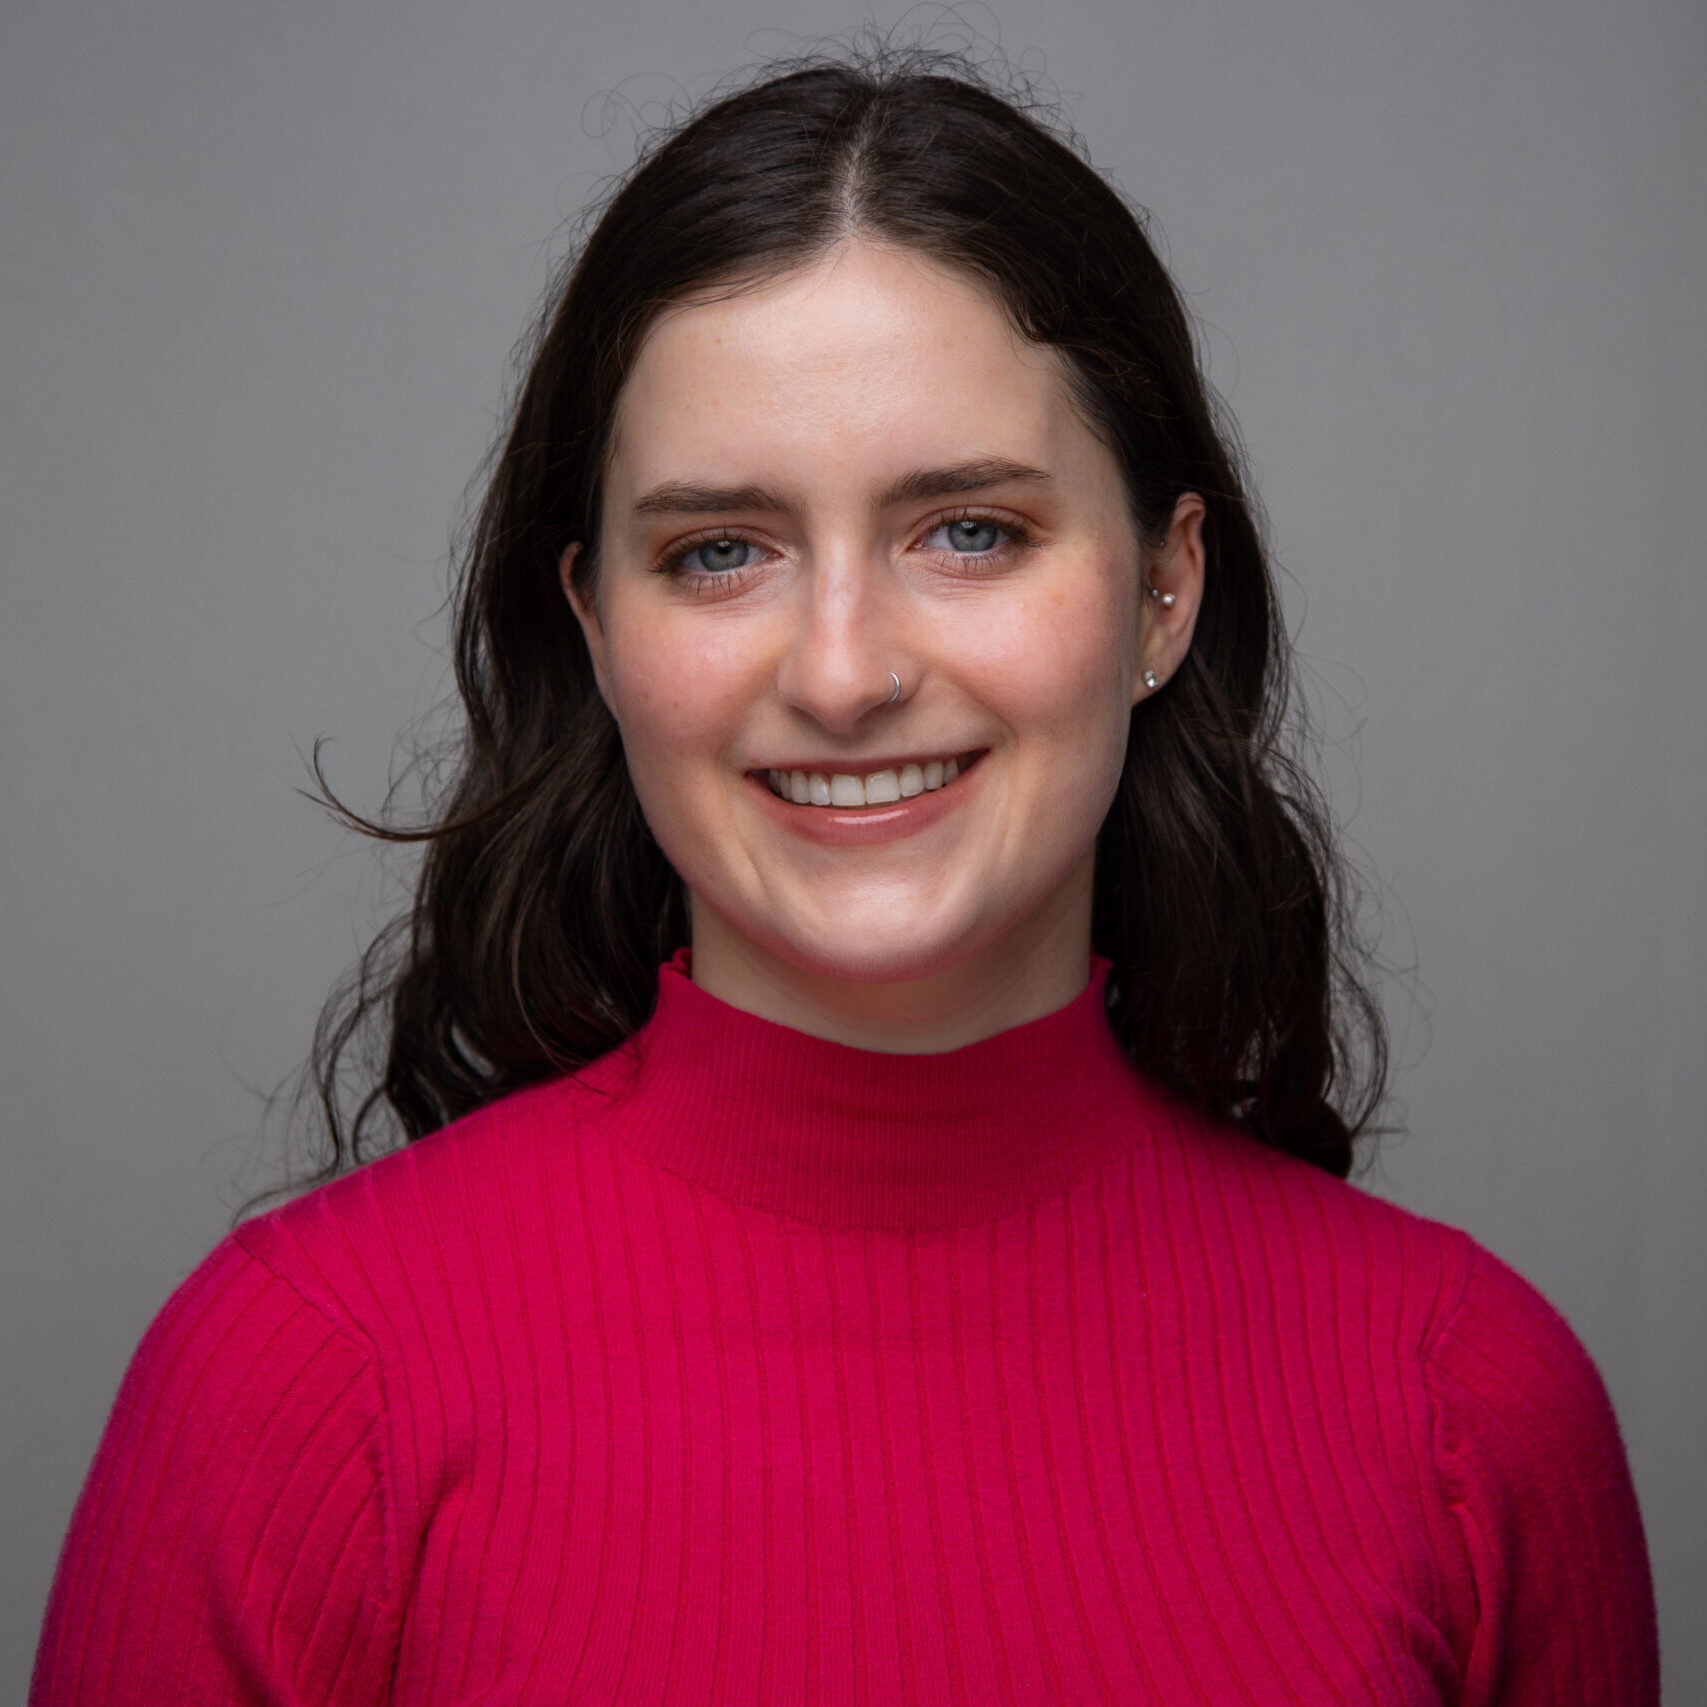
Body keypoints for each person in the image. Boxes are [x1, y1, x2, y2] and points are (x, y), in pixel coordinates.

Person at [32, 47, 1657, 1705]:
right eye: (719, 551)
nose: (842, 672)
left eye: (968, 530)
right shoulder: (299, 1385)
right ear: (596, 624)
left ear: (1165, 592)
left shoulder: (1472, 1407)